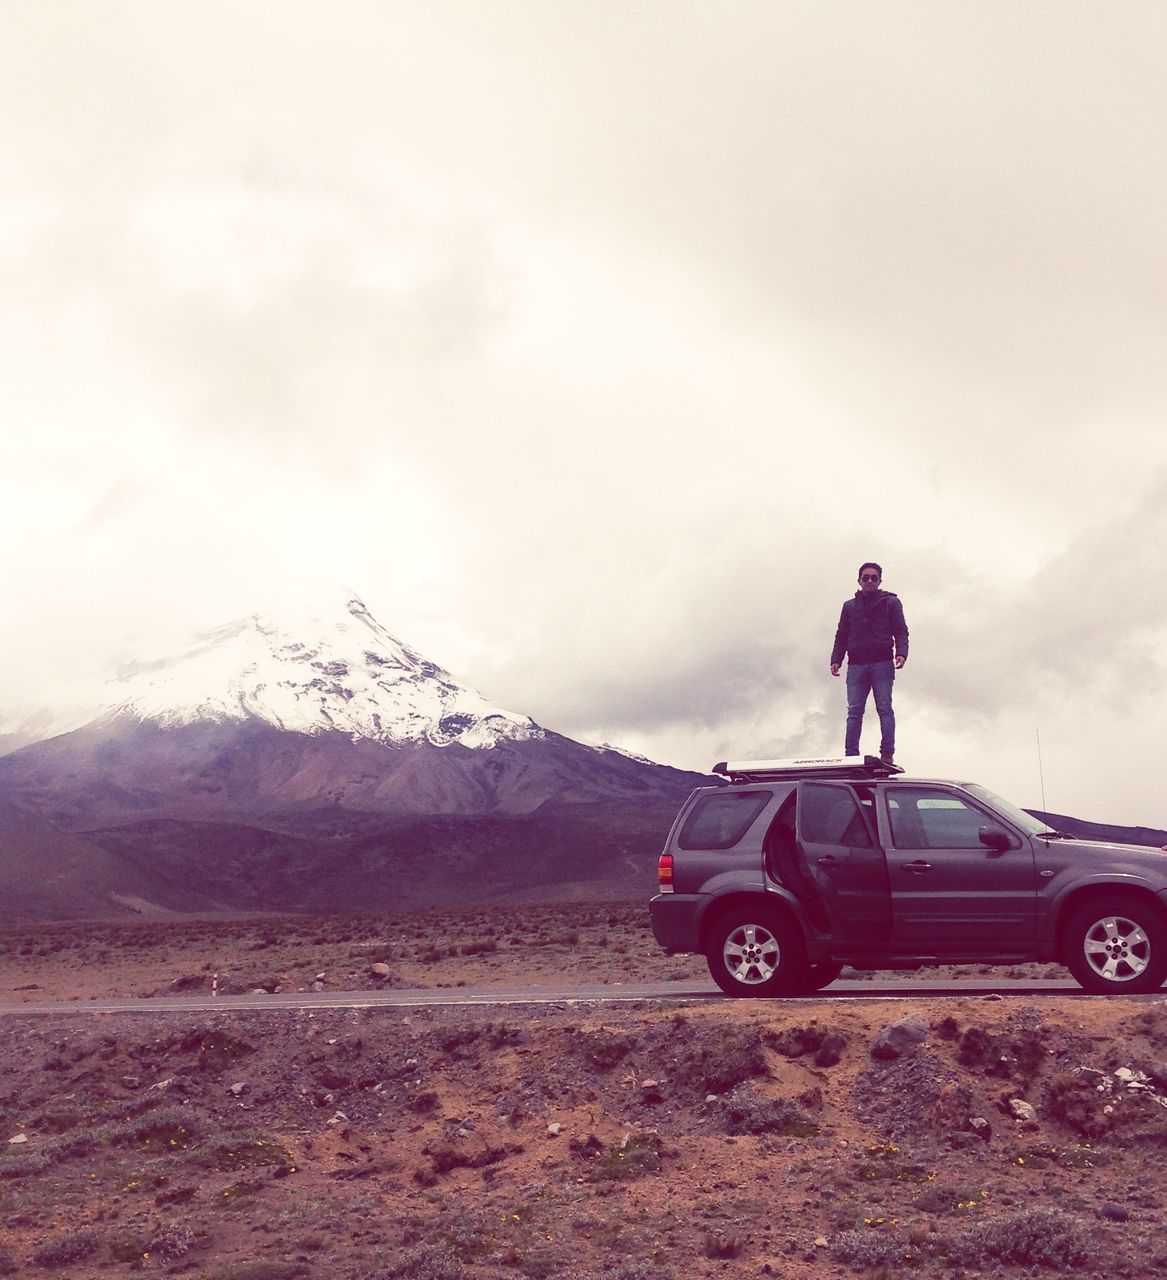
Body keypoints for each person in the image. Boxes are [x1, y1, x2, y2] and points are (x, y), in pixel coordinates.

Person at [829, 562, 909, 763]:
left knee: (884, 707)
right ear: (859, 580)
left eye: (874, 577)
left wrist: (901, 652)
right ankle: (851, 756)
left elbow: (900, 630)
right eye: (866, 577)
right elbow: (842, 634)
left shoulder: (891, 603)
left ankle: (887, 754)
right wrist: (836, 659)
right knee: (854, 711)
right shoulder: (849, 606)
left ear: (880, 580)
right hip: (856, 665)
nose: (870, 581)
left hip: (882, 662)